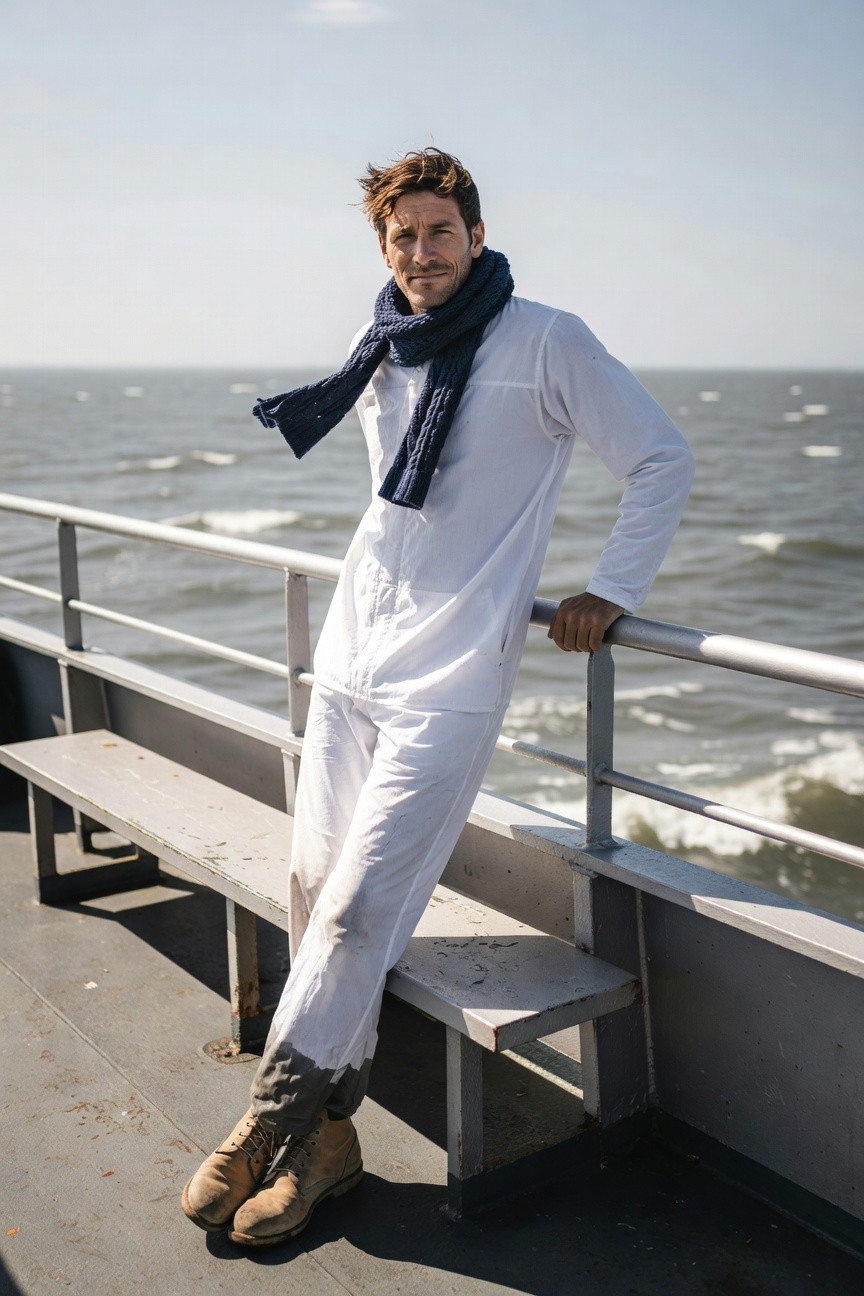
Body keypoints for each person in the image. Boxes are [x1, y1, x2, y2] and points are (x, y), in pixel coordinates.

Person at [181, 147, 694, 1247]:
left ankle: (268, 1120)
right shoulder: (383, 340)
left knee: (360, 910)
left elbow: (660, 457)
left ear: (476, 234)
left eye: (440, 231)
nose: (422, 252)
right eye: (402, 235)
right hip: (353, 653)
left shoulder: (546, 339)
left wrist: (612, 590)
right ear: (385, 248)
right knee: (314, 890)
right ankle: (330, 1145)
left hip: (452, 678)